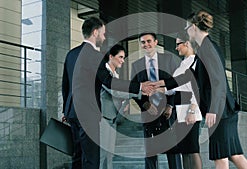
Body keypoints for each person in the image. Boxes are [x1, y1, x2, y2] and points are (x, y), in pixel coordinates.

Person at [62, 17, 154, 169]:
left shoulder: (71, 54)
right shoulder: (94, 55)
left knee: (77, 157)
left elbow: (66, 85)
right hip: (88, 113)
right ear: (95, 32)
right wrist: (139, 87)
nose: (104, 38)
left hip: (72, 112)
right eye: (103, 34)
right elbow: (109, 81)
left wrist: (66, 109)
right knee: (91, 159)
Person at [183, 11, 247, 169]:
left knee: (221, 157)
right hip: (225, 111)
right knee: (234, 155)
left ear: (193, 27)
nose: (186, 31)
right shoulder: (206, 47)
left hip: (220, 112)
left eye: (186, 27)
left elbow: (218, 82)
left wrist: (213, 110)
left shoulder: (207, 48)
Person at [130, 32, 182, 169]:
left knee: (173, 151)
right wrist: (145, 104)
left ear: (156, 42)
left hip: (168, 112)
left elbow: (176, 83)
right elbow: (133, 90)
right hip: (148, 112)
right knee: (150, 152)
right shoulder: (136, 65)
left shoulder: (169, 60)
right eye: (143, 42)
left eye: (149, 41)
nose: (146, 44)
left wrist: (170, 105)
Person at [170, 32, 203, 169]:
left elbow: (197, 88)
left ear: (187, 44)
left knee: (192, 148)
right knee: (184, 149)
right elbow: (173, 87)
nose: (176, 47)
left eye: (178, 44)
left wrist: (192, 110)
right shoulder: (182, 64)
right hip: (179, 108)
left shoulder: (195, 63)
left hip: (190, 106)